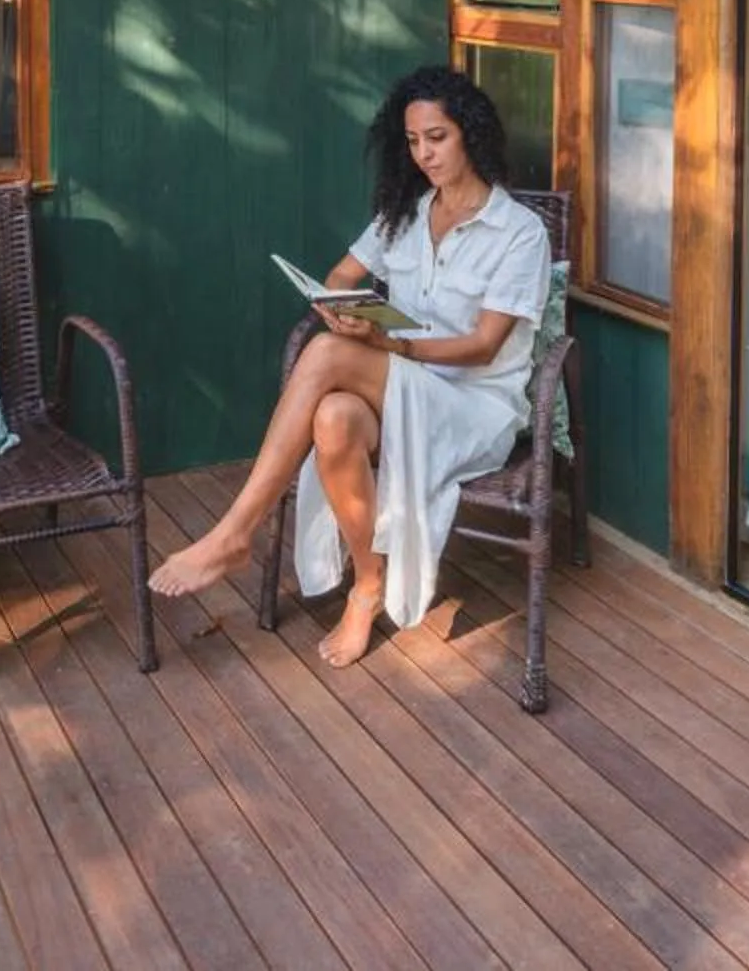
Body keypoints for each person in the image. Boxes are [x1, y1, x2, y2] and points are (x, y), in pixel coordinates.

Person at [149, 64, 550, 667]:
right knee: (334, 417)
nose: (424, 155)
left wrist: (385, 345)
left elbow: (483, 347)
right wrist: (341, 310)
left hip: (472, 408)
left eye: (437, 138)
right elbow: (341, 276)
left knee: (329, 356)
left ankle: (235, 532)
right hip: (401, 389)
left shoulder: (519, 232)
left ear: (471, 133)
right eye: (413, 142)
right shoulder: (410, 212)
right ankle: (367, 585)